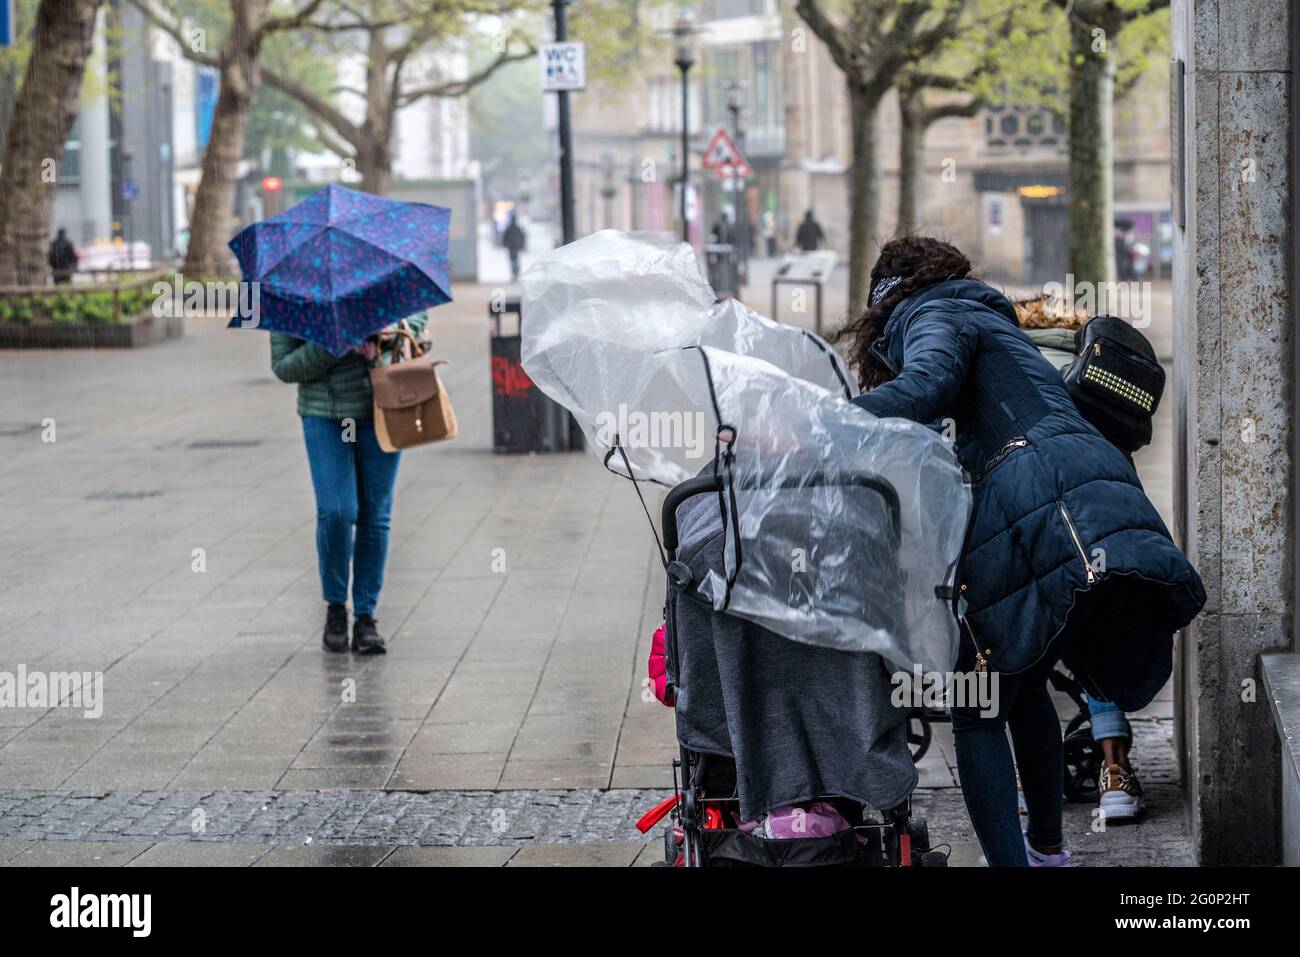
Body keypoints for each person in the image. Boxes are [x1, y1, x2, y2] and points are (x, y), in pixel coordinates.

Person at [842, 236, 1205, 866]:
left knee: (977, 702)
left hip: (1038, 495)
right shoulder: (988, 316)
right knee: (1023, 682)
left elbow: (927, 384)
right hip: (1084, 480)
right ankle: (1047, 854)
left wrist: (823, 422)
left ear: (886, 298)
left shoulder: (934, 312)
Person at [271, 313, 428, 655]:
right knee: (337, 510)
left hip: (385, 404)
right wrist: (334, 343)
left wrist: (391, 332)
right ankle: (335, 607)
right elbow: (283, 366)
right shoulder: (292, 290)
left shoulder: (382, 266)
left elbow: (417, 315)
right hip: (324, 414)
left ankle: (366, 616)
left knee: (375, 513)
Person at [502, 215, 526, 281]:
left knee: (512, 260)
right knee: (515, 260)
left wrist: (505, 244)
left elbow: (504, 237)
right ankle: (516, 272)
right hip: (516, 247)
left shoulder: (509, 228)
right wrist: (521, 244)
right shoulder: (518, 228)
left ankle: (514, 272)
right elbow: (522, 237)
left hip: (511, 247)